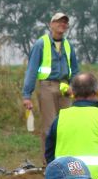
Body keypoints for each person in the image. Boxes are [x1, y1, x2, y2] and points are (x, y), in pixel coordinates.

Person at [23, 12, 79, 157]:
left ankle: (65, 160)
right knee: (49, 126)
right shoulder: (40, 44)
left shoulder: (69, 46)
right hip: (47, 87)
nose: (62, 24)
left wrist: (74, 87)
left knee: (66, 126)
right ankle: (48, 162)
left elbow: (75, 70)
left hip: (65, 88)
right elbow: (32, 70)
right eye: (59, 21)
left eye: (65, 22)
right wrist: (27, 95)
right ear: (51, 24)